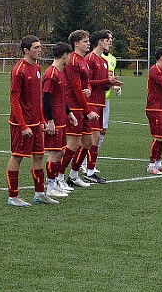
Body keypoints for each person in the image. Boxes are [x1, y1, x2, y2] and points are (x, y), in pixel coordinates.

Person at [6, 35, 51, 206]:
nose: (40, 50)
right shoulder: (19, 70)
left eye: (40, 47)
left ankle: (40, 193)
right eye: (36, 47)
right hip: (21, 124)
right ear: (26, 50)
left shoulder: (37, 68)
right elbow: (14, 100)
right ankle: (13, 196)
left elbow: (37, 97)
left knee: (39, 155)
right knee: (17, 157)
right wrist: (23, 126)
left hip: (35, 122)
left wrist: (41, 120)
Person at [59, 30, 99, 189]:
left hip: (83, 105)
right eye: (85, 41)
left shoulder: (83, 61)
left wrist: (88, 88)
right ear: (76, 44)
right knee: (74, 142)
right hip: (75, 106)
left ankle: (73, 175)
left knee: (88, 141)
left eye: (88, 41)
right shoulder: (73, 61)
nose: (88, 43)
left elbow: (86, 82)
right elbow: (75, 88)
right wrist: (88, 109)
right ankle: (59, 176)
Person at [83, 30, 122, 183]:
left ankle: (90, 171)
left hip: (100, 102)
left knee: (95, 138)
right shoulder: (90, 59)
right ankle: (85, 170)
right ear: (99, 41)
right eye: (107, 40)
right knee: (89, 139)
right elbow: (87, 83)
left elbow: (103, 86)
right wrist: (106, 82)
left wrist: (110, 83)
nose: (109, 42)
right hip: (91, 103)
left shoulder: (104, 61)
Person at [43, 42, 78, 198]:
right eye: (69, 55)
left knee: (61, 151)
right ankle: (50, 186)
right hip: (54, 120)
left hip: (61, 118)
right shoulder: (51, 74)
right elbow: (46, 98)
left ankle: (56, 182)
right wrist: (49, 120)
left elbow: (60, 98)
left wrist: (69, 113)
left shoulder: (60, 72)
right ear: (64, 55)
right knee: (55, 153)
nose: (70, 58)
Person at [99, 32, 119, 163]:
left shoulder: (112, 59)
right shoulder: (95, 57)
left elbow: (109, 78)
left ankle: (90, 161)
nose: (110, 41)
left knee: (103, 131)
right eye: (108, 39)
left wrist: (115, 86)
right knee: (91, 133)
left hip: (106, 98)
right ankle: (84, 163)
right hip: (96, 98)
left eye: (111, 39)